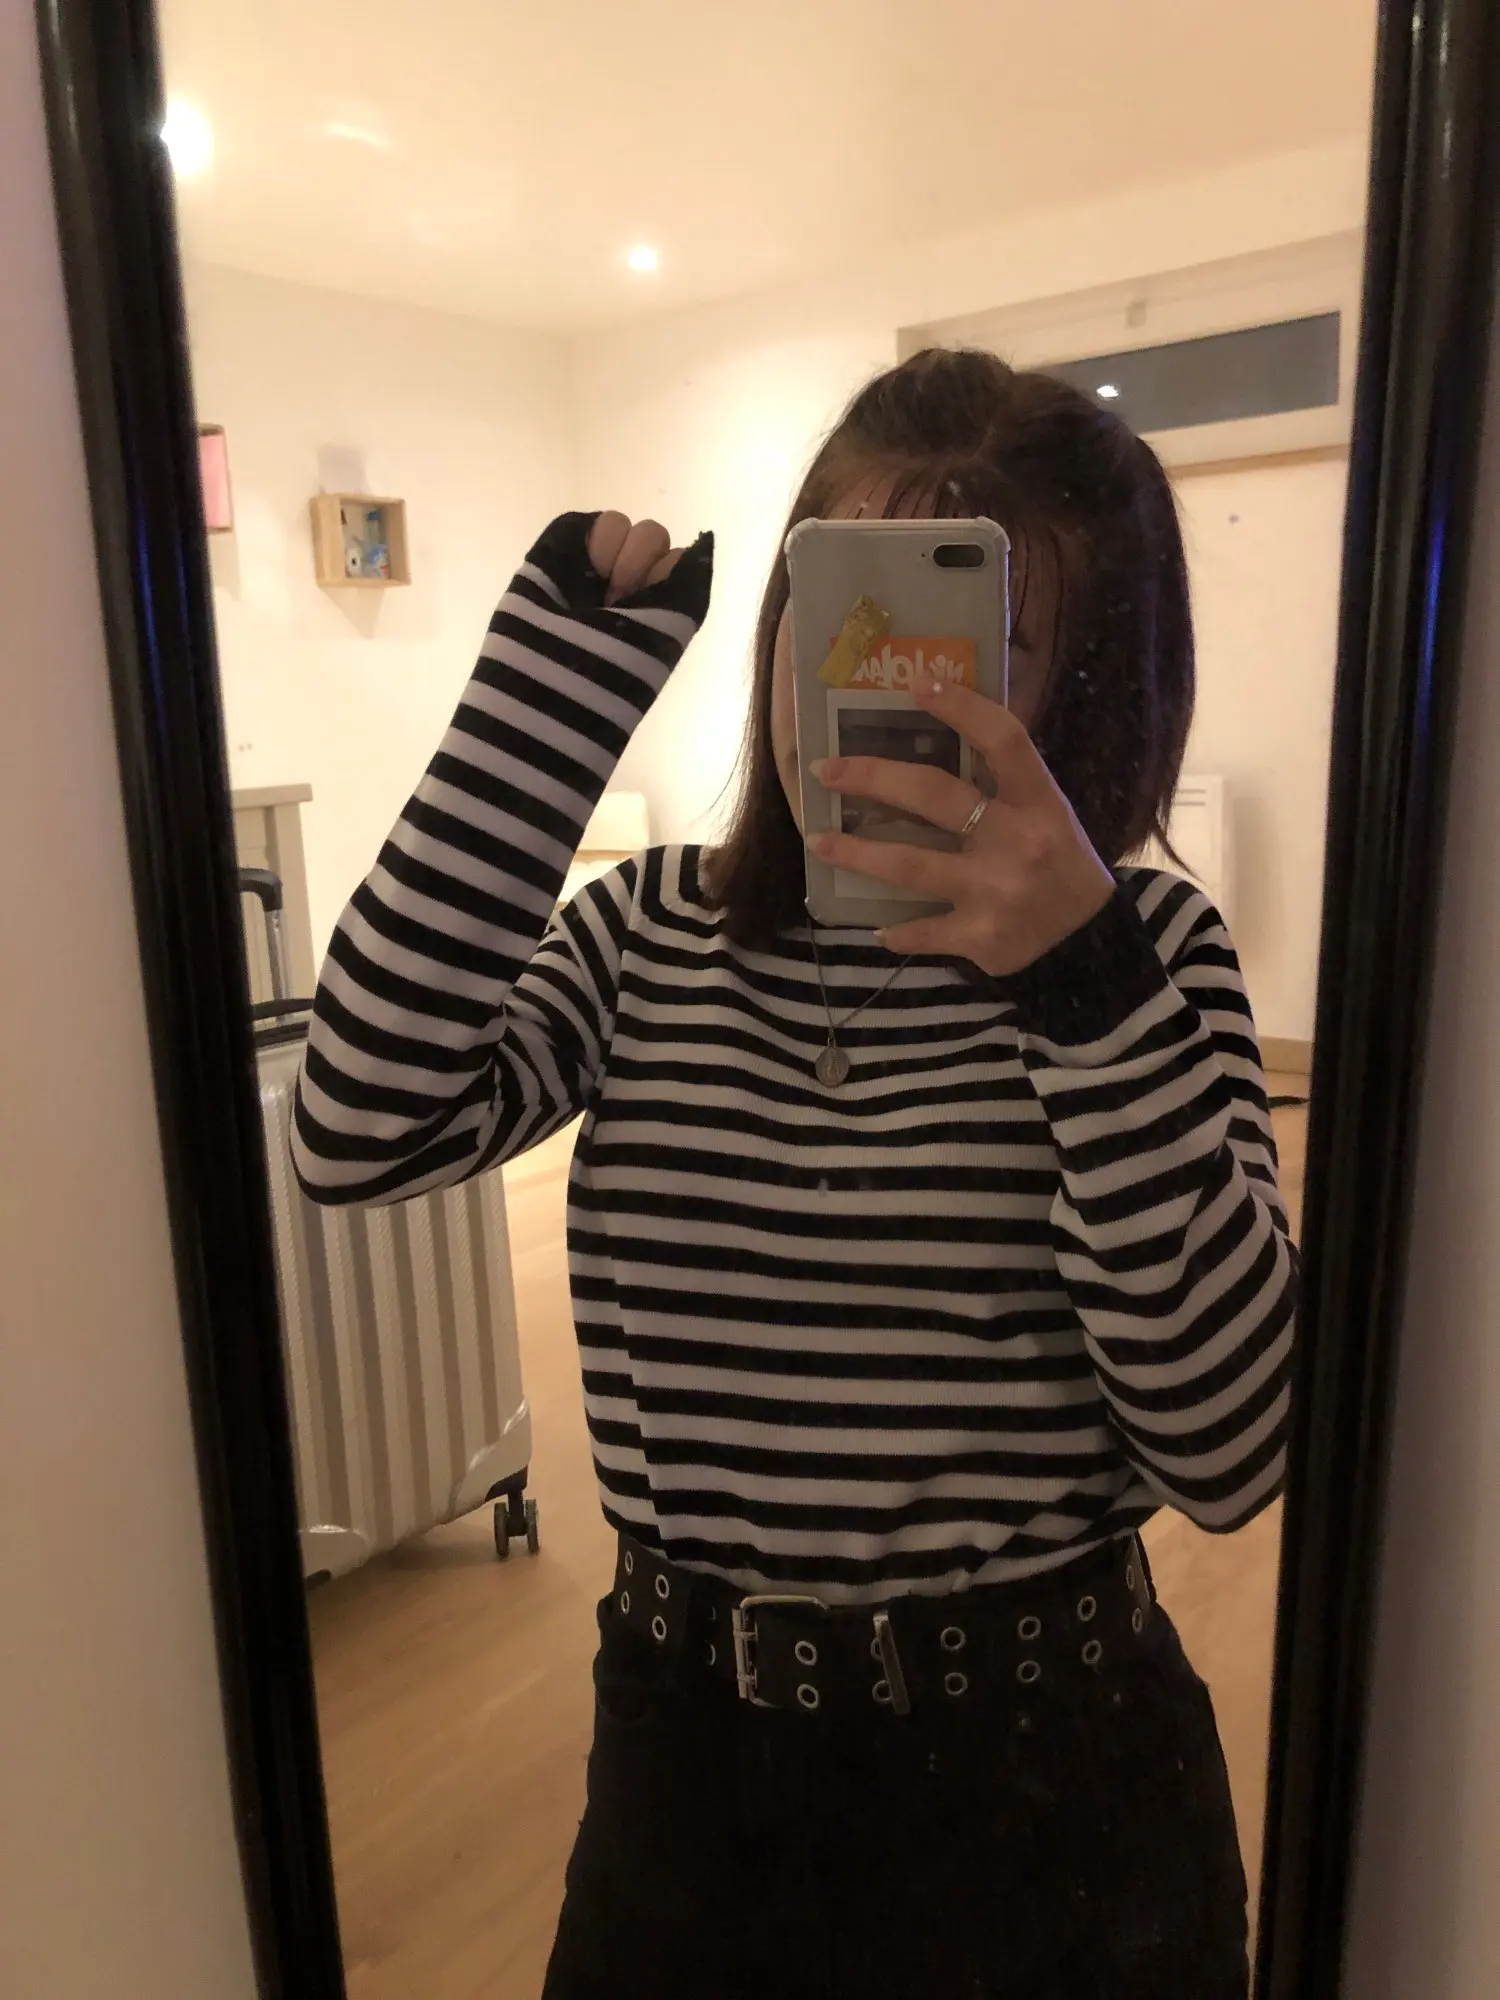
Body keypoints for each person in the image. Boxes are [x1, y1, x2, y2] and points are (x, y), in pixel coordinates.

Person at [292, 348, 1296, 1999]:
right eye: (838, 621)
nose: (879, 686)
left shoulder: (1154, 957)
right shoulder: (645, 935)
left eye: (965, 647)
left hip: (1057, 1787)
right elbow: (356, 1127)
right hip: (690, 1775)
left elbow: (1234, 1447)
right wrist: (547, 709)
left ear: (1089, 688)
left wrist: (1083, 990)